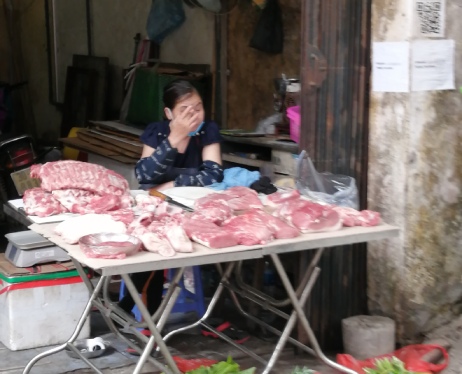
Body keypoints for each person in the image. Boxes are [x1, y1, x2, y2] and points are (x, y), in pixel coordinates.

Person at [118, 79, 224, 323]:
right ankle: (145, 311)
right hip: (156, 208)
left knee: (172, 239)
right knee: (153, 239)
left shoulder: (207, 131)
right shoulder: (157, 132)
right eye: (185, 111)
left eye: (198, 108)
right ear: (169, 114)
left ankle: (132, 308)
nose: (194, 115)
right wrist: (174, 139)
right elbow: (144, 175)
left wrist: (173, 184)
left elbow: (212, 174)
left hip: (192, 210)